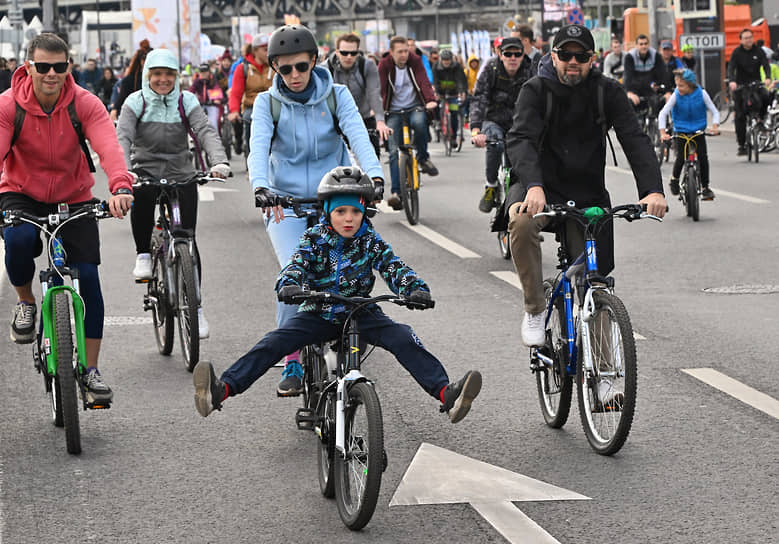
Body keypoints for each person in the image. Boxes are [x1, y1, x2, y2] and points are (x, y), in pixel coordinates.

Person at [192, 167, 482, 422]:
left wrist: (414, 289)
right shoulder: (314, 238)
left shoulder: (369, 240)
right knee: (274, 342)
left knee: (404, 338)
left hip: (360, 311)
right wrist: (290, 285)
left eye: (355, 212)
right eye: (340, 212)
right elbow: (295, 266)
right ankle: (222, 389)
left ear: (364, 213)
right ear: (327, 211)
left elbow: (393, 267)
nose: (348, 219)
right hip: (319, 312)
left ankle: (446, 393)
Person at [504, 25, 667, 369]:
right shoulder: (535, 90)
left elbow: (634, 138)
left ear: (593, 60)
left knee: (596, 284)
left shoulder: (607, 91)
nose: (573, 62)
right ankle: (534, 309)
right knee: (519, 222)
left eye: (581, 56)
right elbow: (521, 139)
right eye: (566, 55)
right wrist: (533, 185)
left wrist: (652, 190)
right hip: (539, 190)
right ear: (553, 56)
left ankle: (605, 378)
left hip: (587, 193)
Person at [248, 24, 385, 396]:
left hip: (334, 197)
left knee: (349, 265)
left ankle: (344, 334)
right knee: (295, 274)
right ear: (275, 69)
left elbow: (358, 135)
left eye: (301, 67)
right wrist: (261, 187)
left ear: (314, 62)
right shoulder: (267, 103)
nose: (294, 76)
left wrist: (374, 177)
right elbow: (257, 148)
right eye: (285, 69)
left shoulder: (336, 96)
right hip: (284, 202)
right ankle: (292, 358)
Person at [0, 33, 136, 403]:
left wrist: (121, 187)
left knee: (89, 278)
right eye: (42, 67)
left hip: (74, 195)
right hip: (21, 193)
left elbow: (108, 146)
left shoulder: (84, 103)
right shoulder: (9, 106)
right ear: (28, 67)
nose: (51, 74)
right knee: (17, 242)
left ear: (68, 68)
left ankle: (91, 371)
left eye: (59, 67)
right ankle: (26, 302)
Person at [116, 48, 231, 339]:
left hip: (181, 172)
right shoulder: (135, 102)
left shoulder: (186, 100)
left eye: (169, 74)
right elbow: (123, 137)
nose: (163, 80)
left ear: (176, 77)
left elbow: (204, 130)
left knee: (187, 239)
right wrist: (124, 171)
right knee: (141, 198)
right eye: (157, 74)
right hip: (145, 171)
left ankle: (197, 307)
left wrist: (218, 161)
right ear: (147, 76)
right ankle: (144, 253)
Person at [470, 37, 533, 213]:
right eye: (508, 54)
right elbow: (479, 98)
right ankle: (491, 186)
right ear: (500, 54)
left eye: (517, 54)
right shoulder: (491, 69)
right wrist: (476, 129)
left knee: (522, 164)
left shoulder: (531, 71)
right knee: (495, 143)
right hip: (494, 119)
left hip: (520, 123)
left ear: (523, 55)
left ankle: (522, 213)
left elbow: (540, 100)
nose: (513, 58)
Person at [378, 36, 439, 210]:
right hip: (393, 111)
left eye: (406, 51)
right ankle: (396, 193)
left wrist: (430, 100)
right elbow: (380, 89)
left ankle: (422, 158)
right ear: (391, 53)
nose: (404, 54)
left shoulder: (415, 60)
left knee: (420, 124)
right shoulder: (384, 65)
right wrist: (378, 111)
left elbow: (423, 81)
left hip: (415, 107)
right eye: (400, 52)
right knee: (393, 151)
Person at [323, 32, 392, 159]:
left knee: (372, 155)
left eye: (353, 53)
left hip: (363, 117)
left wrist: (380, 121)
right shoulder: (325, 69)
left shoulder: (367, 66)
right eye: (344, 53)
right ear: (337, 52)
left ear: (358, 52)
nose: (349, 57)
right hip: (336, 119)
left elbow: (373, 93)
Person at [659, 69, 719, 200]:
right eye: (677, 85)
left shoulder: (702, 94)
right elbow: (663, 113)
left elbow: (715, 111)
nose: (678, 88)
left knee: (703, 157)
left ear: (690, 85)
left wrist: (715, 126)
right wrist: (663, 133)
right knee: (681, 157)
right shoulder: (676, 95)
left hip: (698, 131)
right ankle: (674, 180)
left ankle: (705, 187)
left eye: (681, 85)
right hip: (681, 130)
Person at [727, 28, 772, 155]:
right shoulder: (736, 53)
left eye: (750, 37)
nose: (749, 40)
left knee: (766, 95)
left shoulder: (759, 51)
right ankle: (742, 145)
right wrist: (732, 81)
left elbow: (766, 65)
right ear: (741, 40)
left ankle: (760, 120)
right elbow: (731, 68)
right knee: (740, 115)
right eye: (746, 38)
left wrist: (768, 77)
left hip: (756, 84)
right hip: (741, 86)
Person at [228, 34, 274, 156]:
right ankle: (251, 159)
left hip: (273, 105)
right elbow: (236, 93)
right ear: (255, 51)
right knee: (249, 119)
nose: (268, 53)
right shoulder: (242, 68)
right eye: (265, 50)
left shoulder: (275, 66)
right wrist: (234, 111)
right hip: (252, 106)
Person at [623, 34, 670, 107]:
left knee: (657, 102)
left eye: (645, 44)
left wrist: (667, 91)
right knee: (630, 103)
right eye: (641, 44)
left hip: (648, 87)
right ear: (636, 46)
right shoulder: (630, 57)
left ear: (649, 45)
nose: (643, 46)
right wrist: (629, 92)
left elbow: (663, 73)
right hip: (634, 86)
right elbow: (627, 76)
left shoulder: (655, 55)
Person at [432, 49, 467, 145]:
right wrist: (436, 92)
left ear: (451, 59)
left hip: (453, 92)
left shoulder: (457, 66)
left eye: (448, 59)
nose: (446, 62)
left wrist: (462, 92)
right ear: (441, 60)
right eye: (444, 60)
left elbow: (460, 80)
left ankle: (454, 137)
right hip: (441, 92)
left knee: (454, 113)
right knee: (436, 105)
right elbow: (435, 80)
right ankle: (438, 121)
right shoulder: (436, 66)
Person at [111, 40, 152, 122]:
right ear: (140, 61)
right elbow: (122, 97)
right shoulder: (129, 80)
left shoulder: (162, 78)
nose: (148, 62)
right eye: (145, 59)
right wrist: (114, 109)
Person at [189, 63, 226, 131]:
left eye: (205, 72)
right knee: (195, 121)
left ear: (209, 72)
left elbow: (218, 92)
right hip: (200, 105)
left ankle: (214, 138)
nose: (203, 74)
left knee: (213, 122)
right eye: (202, 72)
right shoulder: (197, 81)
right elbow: (191, 91)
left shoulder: (213, 80)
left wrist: (218, 100)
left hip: (212, 104)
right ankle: (195, 137)